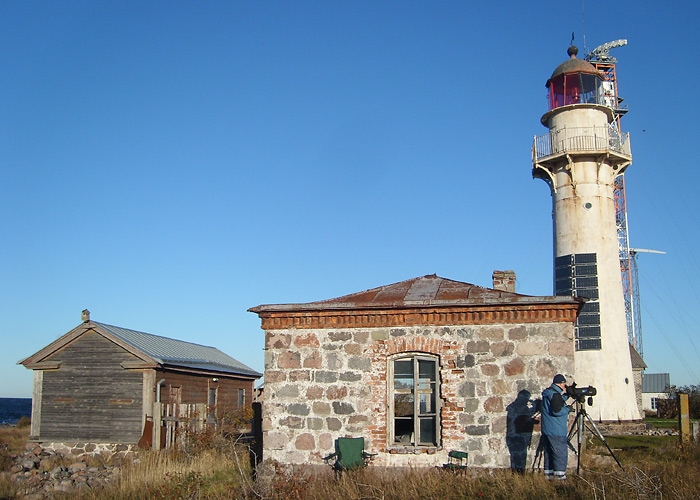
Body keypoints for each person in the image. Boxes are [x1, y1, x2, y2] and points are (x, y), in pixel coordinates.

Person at [540, 374, 572, 480]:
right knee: (560, 453)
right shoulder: (555, 395)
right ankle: (560, 477)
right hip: (557, 430)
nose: (565, 386)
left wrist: (567, 396)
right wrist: (567, 409)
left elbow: (556, 401)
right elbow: (557, 411)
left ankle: (548, 476)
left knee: (549, 453)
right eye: (564, 383)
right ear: (559, 383)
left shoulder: (549, 393)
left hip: (547, 430)